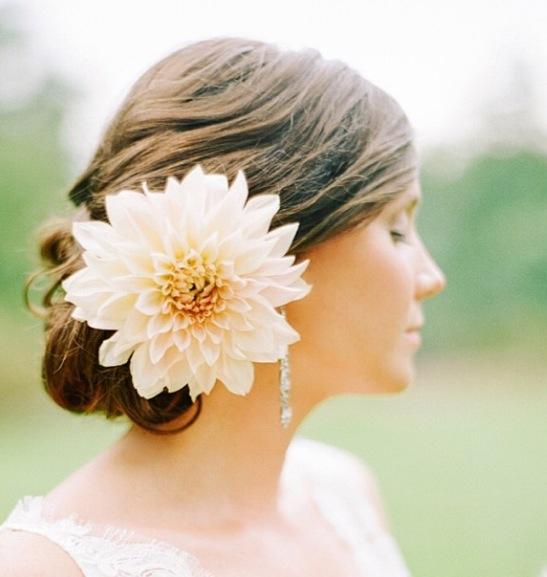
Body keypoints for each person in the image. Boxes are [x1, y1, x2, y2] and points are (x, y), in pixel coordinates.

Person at [0, 36, 446, 576]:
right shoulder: (48, 567)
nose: (431, 277)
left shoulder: (346, 495)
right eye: (396, 229)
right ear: (269, 245)